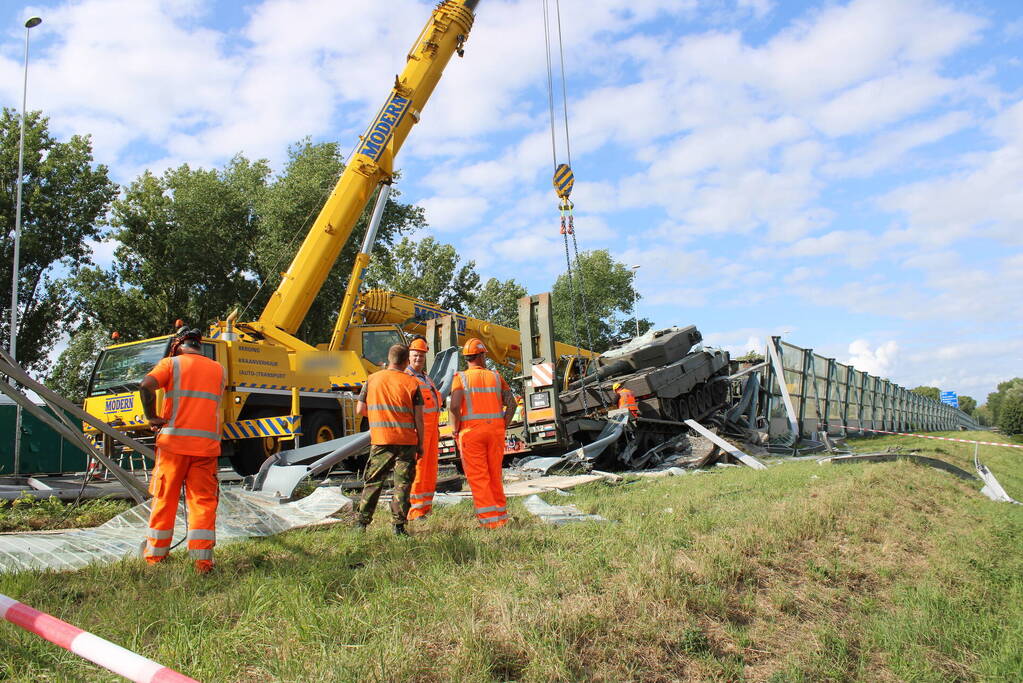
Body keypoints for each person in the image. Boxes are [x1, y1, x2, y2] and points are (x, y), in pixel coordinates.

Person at [140, 327, 225, 574]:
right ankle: (202, 562)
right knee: (202, 503)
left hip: (173, 447)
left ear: (178, 344)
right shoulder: (218, 369)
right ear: (199, 345)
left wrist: (152, 417)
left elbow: (145, 385)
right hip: (206, 448)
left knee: (165, 500)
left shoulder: (171, 364)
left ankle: (156, 558)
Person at [355, 343, 424, 535]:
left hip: (381, 439)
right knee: (402, 484)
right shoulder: (412, 383)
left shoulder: (372, 379)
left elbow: (360, 410)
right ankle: (398, 526)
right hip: (407, 441)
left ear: (389, 359)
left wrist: (380, 416)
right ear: (405, 361)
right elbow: (419, 417)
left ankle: (362, 524)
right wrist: (422, 443)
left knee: (374, 481)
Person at [449, 338, 516, 529]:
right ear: (481, 355)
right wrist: (502, 424)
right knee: (495, 474)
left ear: (468, 358)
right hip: (495, 432)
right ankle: (501, 517)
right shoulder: (495, 376)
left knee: (479, 477)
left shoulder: (460, 378)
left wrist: (455, 430)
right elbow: (511, 403)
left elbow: (454, 406)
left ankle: (489, 522)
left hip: (471, 433)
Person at [405, 336, 441, 522]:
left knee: (430, 471)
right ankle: (415, 511)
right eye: (415, 355)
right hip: (418, 433)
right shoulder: (407, 378)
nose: (418, 358)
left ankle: (425, 508)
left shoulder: (426, 378)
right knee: (418, 471)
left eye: (421, 355)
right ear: (409, 356)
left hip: (432, 432)